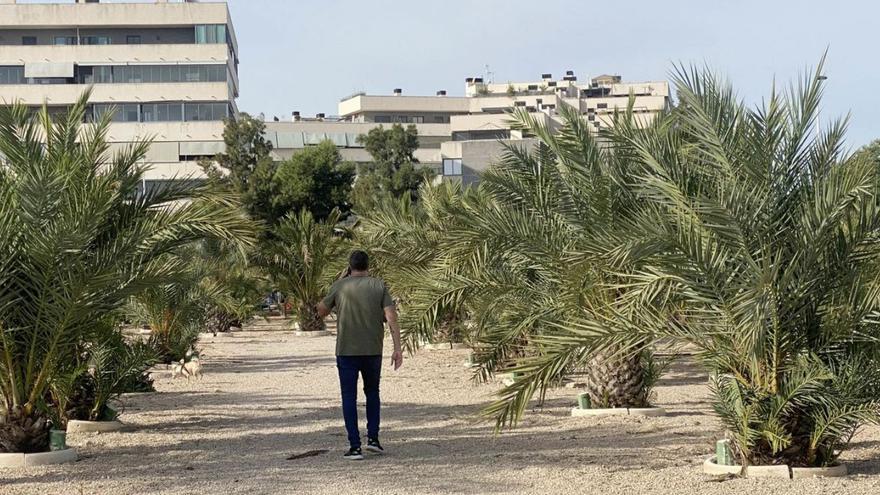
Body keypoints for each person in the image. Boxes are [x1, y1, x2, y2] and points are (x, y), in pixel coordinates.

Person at [317, 250, 403, 461]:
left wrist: (335, 290)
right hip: (373, 349)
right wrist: (397, 347)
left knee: (349, 396)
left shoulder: (340, 286)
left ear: (350, 266)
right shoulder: (378, 285)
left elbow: (321, 311)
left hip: (346, 350)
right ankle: (373, 439)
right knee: (372, 392)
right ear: (367, 265)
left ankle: (355, 446)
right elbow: (391, 316)